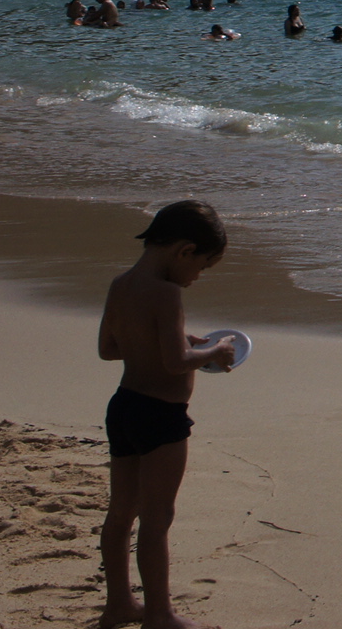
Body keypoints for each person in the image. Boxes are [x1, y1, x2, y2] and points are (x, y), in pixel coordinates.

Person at [96, 200, 236, 629]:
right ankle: (159, 613)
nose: (195, 279)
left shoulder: (122, 284)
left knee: (121, 512)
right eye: (202, 267)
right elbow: (176, 363)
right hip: (161, 416)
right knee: (158, 519)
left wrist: (172, 337)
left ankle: (118, 604)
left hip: (124, 407)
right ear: (184, 251)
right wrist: (214, 350)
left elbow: (109, 349)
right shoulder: (167, 292)